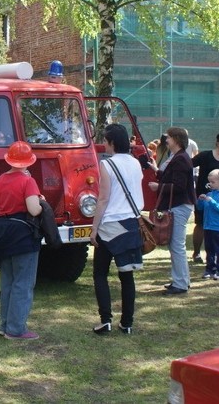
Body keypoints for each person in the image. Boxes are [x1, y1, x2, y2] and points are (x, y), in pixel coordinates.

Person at [0, 142, 43, 340]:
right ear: (28, 162)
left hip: (2, 233)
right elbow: (33, 209)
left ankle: (5, 325)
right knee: (23, 283)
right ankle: (16, 330)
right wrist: (42, 202)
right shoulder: (28, 182)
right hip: (23, 235)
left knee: (8, 281)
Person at [90, 124, 143, 335]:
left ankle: (106, 319)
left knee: (100, 273)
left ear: (112, 142)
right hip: (130, 222)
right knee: (127, 276)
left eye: (105, 140)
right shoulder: (135, 163)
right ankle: (127, 323)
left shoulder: (107, 164)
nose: (103, 143)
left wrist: (94, 229)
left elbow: (103, 199)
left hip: (110, 224)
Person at [148, 127, 196, 295]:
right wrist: (157, 171)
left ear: (176, 139)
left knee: (176, 245)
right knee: (175, 245)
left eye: (168, 138)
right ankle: (181, 280)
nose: (165, 140)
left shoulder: (181, 158)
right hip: (178, 205)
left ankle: (181, 284)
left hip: (180, 205)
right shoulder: (178, 157)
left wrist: (158, 186)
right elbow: (174, 179)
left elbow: (180, 186)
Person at [191, 133, 219, 264]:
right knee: (200, 223)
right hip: (204, 197)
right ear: (218, 144)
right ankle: (197, 253)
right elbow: (188, 165)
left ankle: (218, 253)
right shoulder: (205, 156)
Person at [198, 169, 219, 281]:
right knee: (209, 249)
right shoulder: (209, 194)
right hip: (207, 226)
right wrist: (201, 200)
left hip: (218, 226)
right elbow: (200, 208)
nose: (210, 184)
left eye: (213, 182)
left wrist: (211, 201)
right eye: (209, 182)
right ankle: (210, 270)